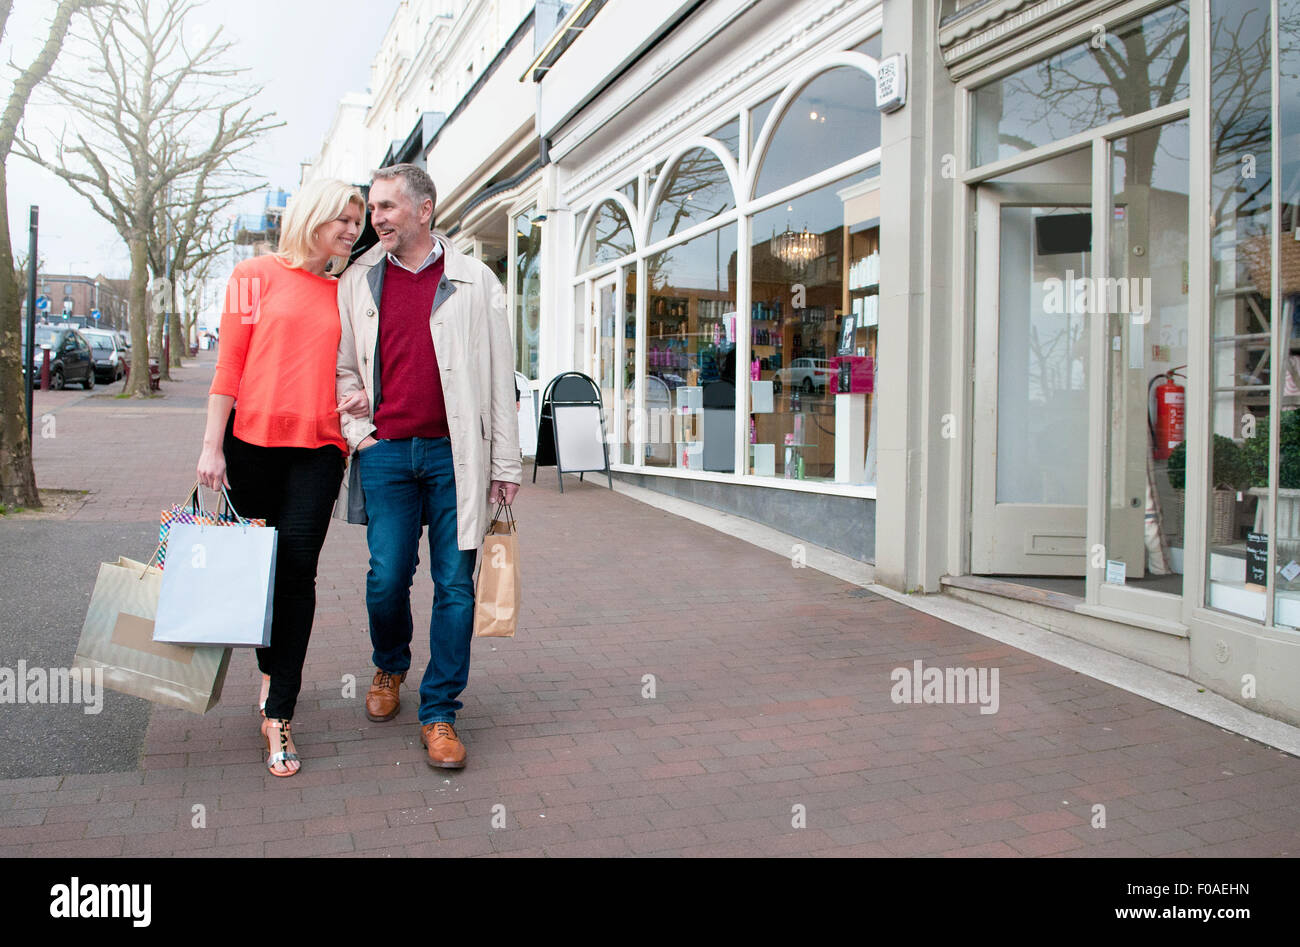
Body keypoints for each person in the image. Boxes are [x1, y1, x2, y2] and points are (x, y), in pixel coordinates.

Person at [336, 163, 520, 770]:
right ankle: (390, 667)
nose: (376, 218)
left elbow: (500, 380)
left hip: (454, 457)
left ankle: (440, 711)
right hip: (386, 452)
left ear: (424, 210)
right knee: (386, 577)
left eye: (387, 207)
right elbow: (345, 368)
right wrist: (359, 430)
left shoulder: (475, 280)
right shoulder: (360, 280)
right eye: (373, 208)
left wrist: (506, 465)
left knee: (454, 586)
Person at [196, 178, 367, 777]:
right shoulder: (254, 275)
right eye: (343, 219)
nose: (351, 229)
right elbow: (230, 364)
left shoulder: (350, 289)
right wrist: (211, 446)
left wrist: (361, 395)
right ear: (314, 216)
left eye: (357, 220)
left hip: (319, 452)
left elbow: (362, 364)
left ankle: (279, 711)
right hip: (250, 448)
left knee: (296, 573)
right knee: (258, 573)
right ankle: (271, 673)